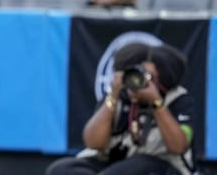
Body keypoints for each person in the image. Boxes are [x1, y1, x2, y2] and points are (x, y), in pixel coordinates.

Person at [46, 43, 196, 175]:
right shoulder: (117, 96)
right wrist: (113, 95)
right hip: (113, 163)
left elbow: (178, 146)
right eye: (136, 74)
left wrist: (156, 103)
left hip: (159, 166)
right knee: (61, 169)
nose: (139, 81)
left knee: (139, 165)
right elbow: (93, 142)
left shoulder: (178, 100)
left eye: (149, 77)